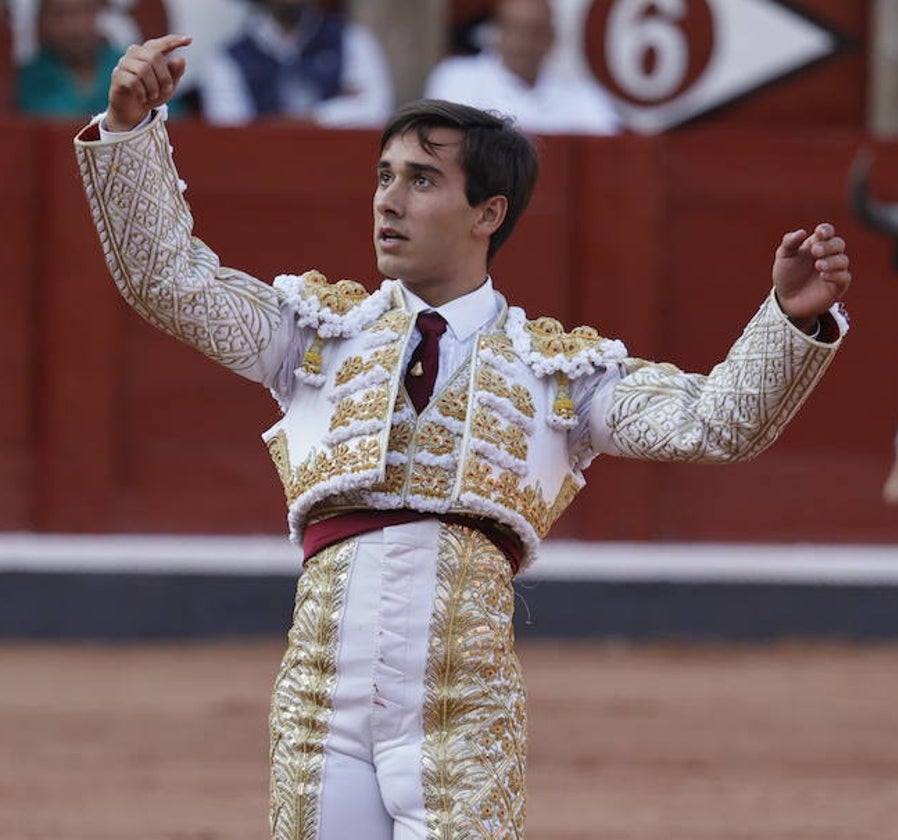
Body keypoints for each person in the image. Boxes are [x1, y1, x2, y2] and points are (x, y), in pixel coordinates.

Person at [75, 33, 851, 840]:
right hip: (318, 705)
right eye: (383, 175)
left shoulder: (560, 374)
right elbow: (168, 279)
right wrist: (132, 129)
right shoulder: (313, 335)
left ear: (488, 213)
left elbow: (714, 423)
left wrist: (790, 321)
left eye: (420, 180)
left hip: (463, 716)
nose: (387, 200)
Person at [425, 0, 622, 135]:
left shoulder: (583, 96)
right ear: (496, 33)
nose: (523, 42)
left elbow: (607, 149)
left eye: (535, 31)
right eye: (514, 29)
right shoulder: (457, 77)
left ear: (552, 38)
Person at [199, 0, 393, 128]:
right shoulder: (228, 58)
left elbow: (376, 110)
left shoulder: (352, 40)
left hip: (337, 168)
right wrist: (341, 109)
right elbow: (228, 128)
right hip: (264, 172)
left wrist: (314, 118)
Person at [16, 0, 121, 117]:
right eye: (59, 14)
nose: (73, 27)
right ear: (43, 19)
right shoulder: (28, 80)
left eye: (82, 11)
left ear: (99, 12)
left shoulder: (126, 67)